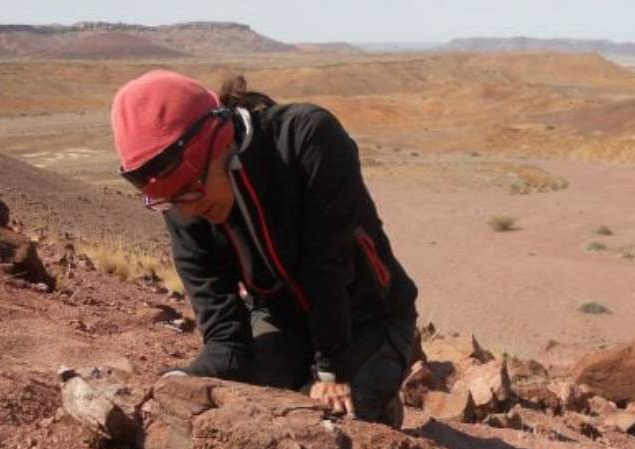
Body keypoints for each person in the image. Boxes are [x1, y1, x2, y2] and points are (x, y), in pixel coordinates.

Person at [110, 70, 418, 426]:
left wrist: (331, 371)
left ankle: (382, 398)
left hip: (368, 316)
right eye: (169, 201)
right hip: (280, 318)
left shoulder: (307, 138)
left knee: (328, 428)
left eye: (192, 190)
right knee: (251, 415)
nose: (188, 210)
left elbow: (327, 264)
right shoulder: (181, 204)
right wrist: (181, 383)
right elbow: (226, 339)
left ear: (223, 142)